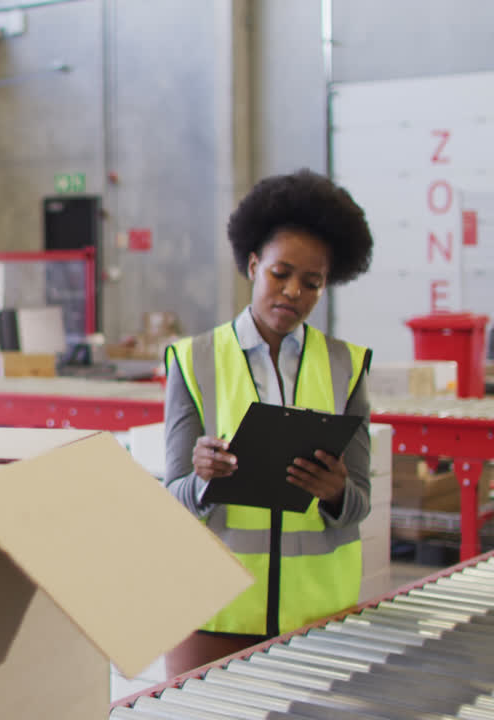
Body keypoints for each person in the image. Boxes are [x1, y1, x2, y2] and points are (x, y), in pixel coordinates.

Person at [161, 169, 375, 676]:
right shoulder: (194, 360)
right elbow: (173, 500)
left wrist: (335, 493)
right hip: (213, 612)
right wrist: (203, 480)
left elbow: (359, 503)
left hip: (317, 617)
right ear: (254, 265)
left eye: (312, 282)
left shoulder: (347, 366)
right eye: (281, 273)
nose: (293, 291)